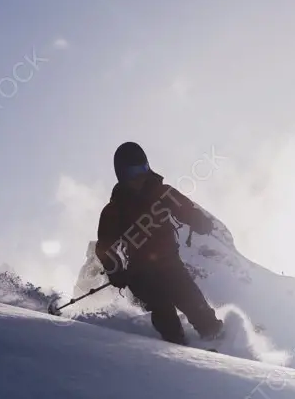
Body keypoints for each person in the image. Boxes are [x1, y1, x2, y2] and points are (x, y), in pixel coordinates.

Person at [94, 141, 224, 345]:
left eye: (143, 168)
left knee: (191, 299)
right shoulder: (114, 210)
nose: (140, 176)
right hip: (139, 272)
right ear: (122, 174)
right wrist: (115, 270)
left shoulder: (162, 193)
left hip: (169, 263)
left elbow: (184, 208)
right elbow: (105, 246)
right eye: (133, 172)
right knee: (162, 305)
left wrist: (198, 220)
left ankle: (217, 342)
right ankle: (177, 350)